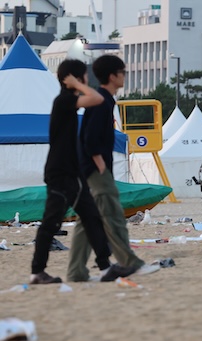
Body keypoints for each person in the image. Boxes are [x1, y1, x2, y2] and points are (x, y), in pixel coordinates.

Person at [29, 60, 136, 284]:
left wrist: (75, 83)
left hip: (71, 173)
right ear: (76, 79)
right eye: (84, 77)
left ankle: (106, 268)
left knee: (91, 217)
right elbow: (96, 99)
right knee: (51, 223)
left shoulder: (67, 101)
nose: (89, 81)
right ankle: (37, 272)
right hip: (60, 173)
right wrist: (77, 84)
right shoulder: (64, 100)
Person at [67, 55, 160, 281]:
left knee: (88, 220)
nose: (125, 76)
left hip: (88, 169)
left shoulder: (103, 100)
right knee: (113, 216)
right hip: (96, 170)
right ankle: (131, 262)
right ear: (112, 76)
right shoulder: (102, 101)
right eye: (123, 72)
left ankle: (76, 272)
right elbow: (89, 140)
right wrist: (101, 167)